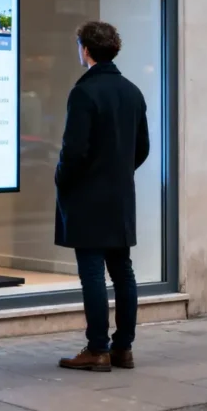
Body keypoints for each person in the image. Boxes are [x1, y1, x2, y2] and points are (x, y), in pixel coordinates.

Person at [55, 21, 149, 373]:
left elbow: (74, 150)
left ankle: (97, 349)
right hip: (120, 195)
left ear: (86, 49)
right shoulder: (132, 91)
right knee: (122, 272)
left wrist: (62, 178)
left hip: (88, 196)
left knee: (92, 273)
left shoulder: (84, 93)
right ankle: (123, 348)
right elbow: (142, 148)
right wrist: (118, 171)